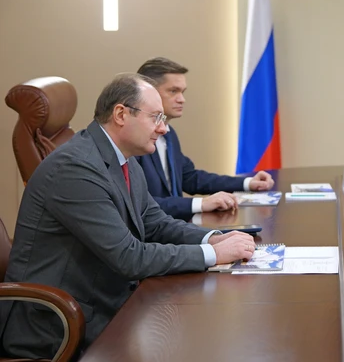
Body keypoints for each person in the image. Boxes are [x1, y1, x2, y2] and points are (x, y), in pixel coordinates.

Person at [1, 73, 257, 359]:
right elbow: (128, 257)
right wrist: (212, 254)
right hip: (56, 322)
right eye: (156, 117)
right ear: (121, 114)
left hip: (103, 301)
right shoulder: (74, 168)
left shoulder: (124, 158)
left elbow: (155, 223)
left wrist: (213, 238)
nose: (164, 129)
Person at [136, 57, 274, 219]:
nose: (182, 99)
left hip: (176, 226)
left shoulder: (169, 134)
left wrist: (248, 183)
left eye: (182, 92)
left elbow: (190, 178)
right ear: (149, 93)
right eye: (173, 91)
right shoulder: (134, 140)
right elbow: (140, 204)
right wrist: (201, 204)